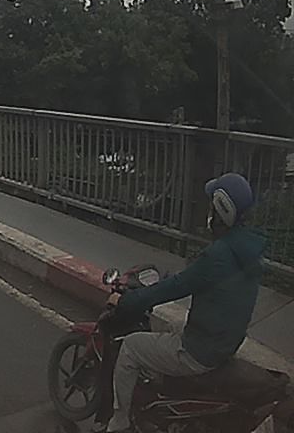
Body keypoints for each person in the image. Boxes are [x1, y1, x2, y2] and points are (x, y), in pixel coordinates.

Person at [100, 173, 265, 433]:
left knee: (131, 346)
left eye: (212, 205)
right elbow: (192, 279)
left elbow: (176, 287)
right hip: (225, 343)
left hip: (200, 351)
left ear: (221, 209)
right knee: (172, 328)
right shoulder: (248, 251)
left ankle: (119, 423)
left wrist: (127, 301)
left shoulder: (219, 255)